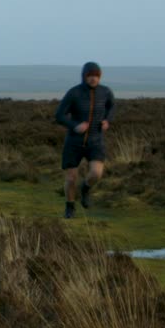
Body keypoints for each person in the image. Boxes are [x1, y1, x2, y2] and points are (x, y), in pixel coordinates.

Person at [55, 62, 115, 218]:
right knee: (71, 178)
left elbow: (111, 107)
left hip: (95, 141)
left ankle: (85, 188)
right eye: (90, 76)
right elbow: (59, 115)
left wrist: (107, 120)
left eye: (96, 76)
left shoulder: (105, 92)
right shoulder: (74, 93)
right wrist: (74, 125)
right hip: (74, 143)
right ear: (84, 76)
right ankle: (70, 207)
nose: (93, 79)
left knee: (96, 173)